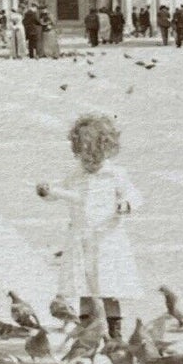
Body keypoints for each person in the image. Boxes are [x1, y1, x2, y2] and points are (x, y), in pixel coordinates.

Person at [38, 112, 143, 339]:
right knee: (82, 286)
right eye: (84, 158)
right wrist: (46, 192)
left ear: (107, 151)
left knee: (110, 287)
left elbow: (134, 194)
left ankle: (114, 332)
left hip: (108, 239)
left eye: (94, 158)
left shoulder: (116, 174)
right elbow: (59, 192)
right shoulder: (75, 174)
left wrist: (125, 204)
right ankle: (87, 327)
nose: (89, 163)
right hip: (80, 239)